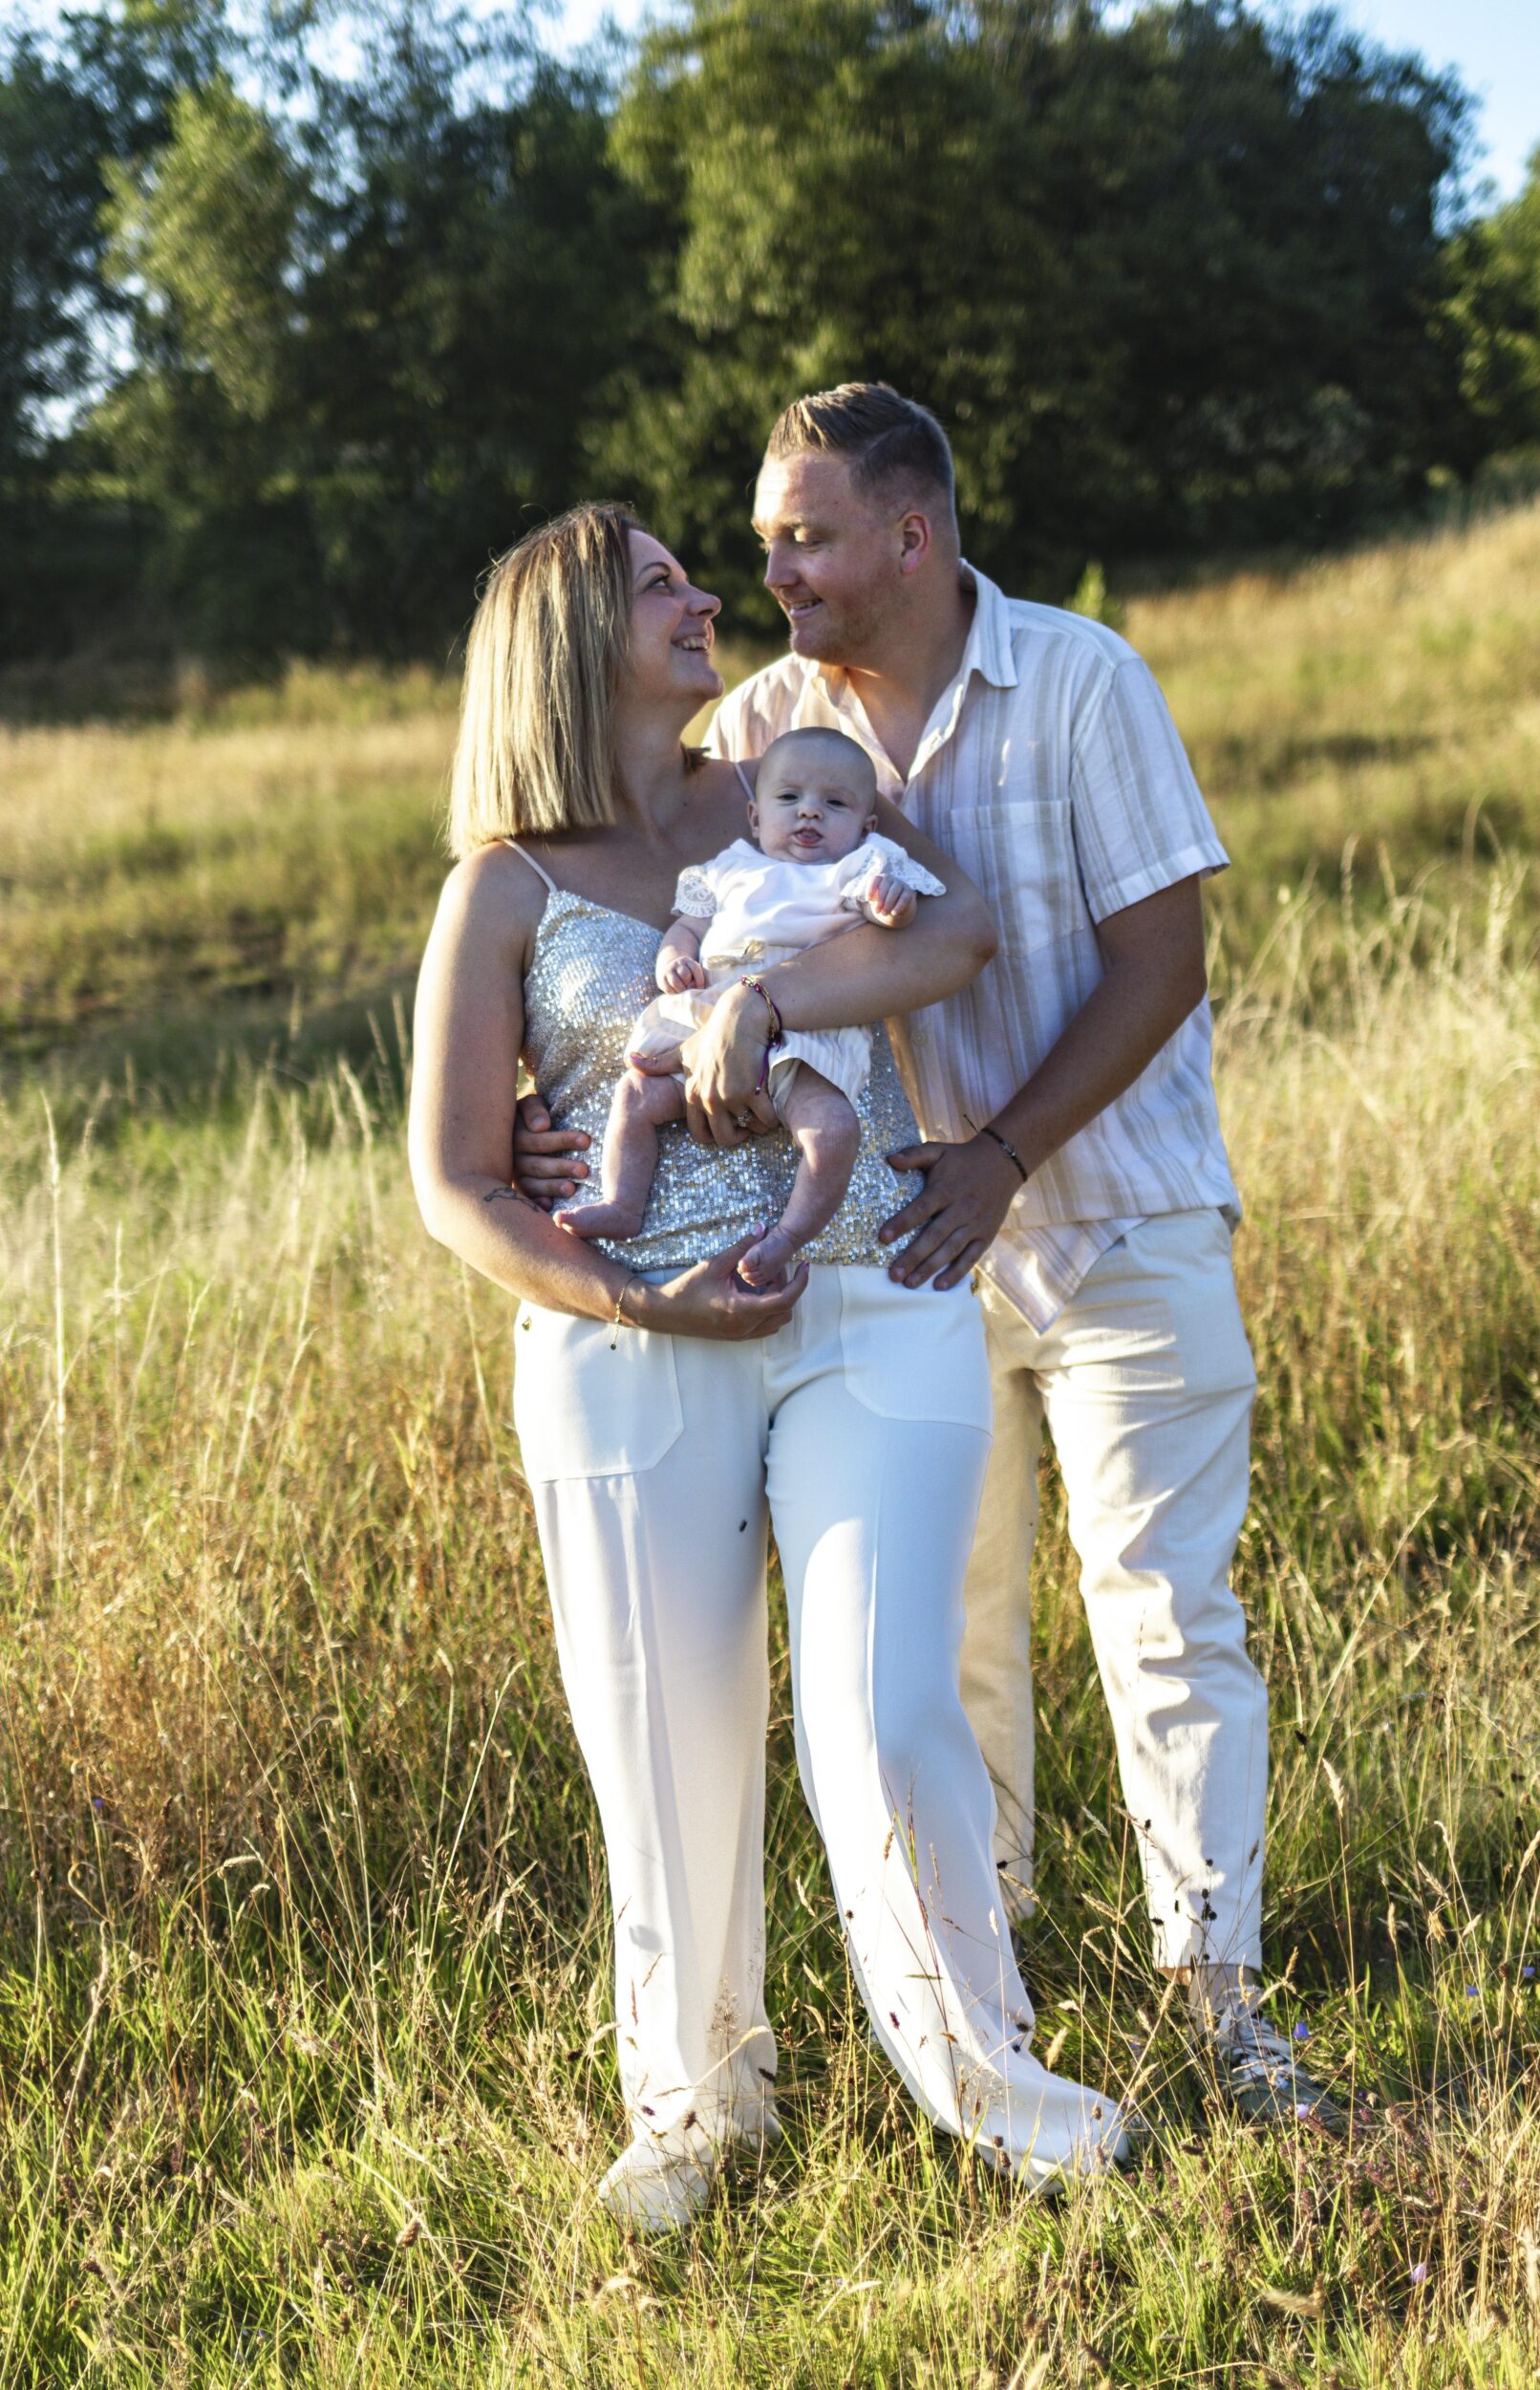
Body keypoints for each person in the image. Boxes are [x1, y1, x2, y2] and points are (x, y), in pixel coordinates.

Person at [514, 392, 1347, 2127]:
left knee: (1163, 1611)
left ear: (908, 536)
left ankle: (1222, 2002)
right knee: (956, 1644)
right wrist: (562, 1112)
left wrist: (1003, 1155)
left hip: (1112, 1214)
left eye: (804, 538)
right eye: (762, 539)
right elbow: (639, 921)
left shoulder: (1081, 681)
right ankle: (1000, 1997)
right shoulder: (765, 724)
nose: (770, 572)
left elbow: (1164, 960)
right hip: (893, 1259)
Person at [409, 500, 1141, 2238]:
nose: (704, 598)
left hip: (867, 1293)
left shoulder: (787, 792)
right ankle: (695, 2104)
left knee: (885, 1713)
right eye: (660, 583)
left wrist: (762, 1002)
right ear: (568, 642)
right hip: (625, 1340)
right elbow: (453, 1184)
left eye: (690, 573)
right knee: (660, 1748)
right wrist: (634, 1302)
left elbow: (952, 937)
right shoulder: (502, 883)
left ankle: (992, 2083)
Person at [558, 725, 943, 1287]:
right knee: (636, 1093)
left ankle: (788, 1235)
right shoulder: (729, 868)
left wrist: (894, 905)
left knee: (833, 1129)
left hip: (806, 1030)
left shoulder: (861, 866)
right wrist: (675, 959)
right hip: (709, 1022)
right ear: (756, 817)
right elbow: (686, 928)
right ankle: (621, 1202)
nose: (809, 812)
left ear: (867, 827)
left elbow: (894, 919)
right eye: (789, 797)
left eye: (834, 804)